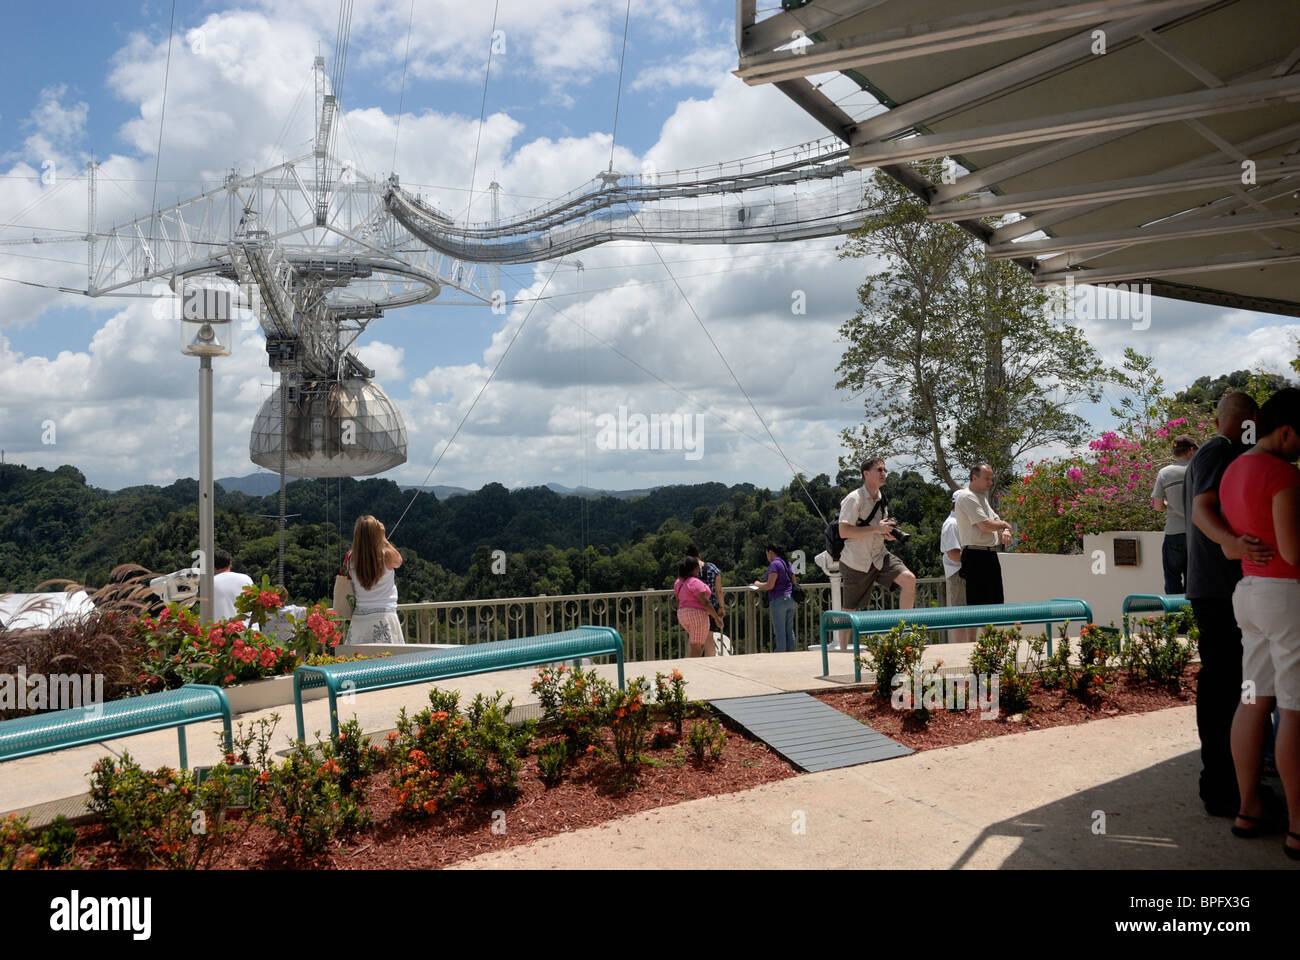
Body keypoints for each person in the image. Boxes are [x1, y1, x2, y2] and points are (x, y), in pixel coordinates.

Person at [1219, 388, 1300, 858]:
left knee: (1252, 701)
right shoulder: (1283, 474)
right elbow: (1294, 552)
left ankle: (1248, 809)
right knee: (1293, 709)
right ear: (1285, 431)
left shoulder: (1233, 471)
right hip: (1287, 597)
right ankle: (1298, 827)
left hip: (1248, 594)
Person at [1185, 391, 1274, 817]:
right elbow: (1202, 509)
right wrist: (1231, 544)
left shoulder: (1218, 453)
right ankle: (1221, 789)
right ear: (1249, 420)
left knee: (1234, 687)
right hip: (1218, 590)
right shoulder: (1217, 452)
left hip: (1218, 589)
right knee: (1224, 688)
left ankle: (1234, 786)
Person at [837, 458, 916, 614]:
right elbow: (843, 531)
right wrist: (876, 529)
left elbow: (878, 530)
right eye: (879, 470)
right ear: (866, 474)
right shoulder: (854, 498)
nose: (884, 473)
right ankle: (844, 640)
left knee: (909, 579)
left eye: (885, 470)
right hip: (856, 561)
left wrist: (887, 534)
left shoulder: (882, 499)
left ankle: (906, 632)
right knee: (849, 610)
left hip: (879, 556)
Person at [954, 464, 1013, 606]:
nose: (990, 482)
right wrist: (1004, 526)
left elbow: (996, 520)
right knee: (976, 606)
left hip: (989, 554)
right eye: (987, 478)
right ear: (974, 478)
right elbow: (985, 525)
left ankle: (992, 630)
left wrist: (1004, 530)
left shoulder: (981, 498)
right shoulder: (967, 496)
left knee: (995, 603)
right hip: (975, 555)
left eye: (991, 479)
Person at [1150, 434, 1198, 593]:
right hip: (1196, 532)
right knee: (1194, 581)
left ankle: (1175, 616)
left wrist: (1169, 505)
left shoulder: (1164, 473)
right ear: (1191, 451)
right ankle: (1192, 616)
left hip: (1173, 533)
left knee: (1172, 579)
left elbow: (1157, 506)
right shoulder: (1198, 470)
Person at [346, 515, 405, 644]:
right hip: (385, 616)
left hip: (360, 619)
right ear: (376, 534)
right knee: (389, 661)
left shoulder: (351, 558)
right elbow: (399, 561)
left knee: (359, 661)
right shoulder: (386, 555)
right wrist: (383, 538)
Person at [939, 491, 974, 644]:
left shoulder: (959, 522)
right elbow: (954, 554)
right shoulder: (952, 524)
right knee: (961, 615)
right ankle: (959, 650)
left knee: (967, 615)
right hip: (959, 573)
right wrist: (975, 562)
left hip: (963, 572)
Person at [752, 543, 797, 652]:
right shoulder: (788, 563)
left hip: (779, 599)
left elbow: (770, 585)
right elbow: (794, 582)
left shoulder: (775, 565)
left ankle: (780, 654)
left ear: (770, 552)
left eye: (767, 553)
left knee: (780, 631)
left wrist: (757, 584)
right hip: (791, 598)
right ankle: (791, 654)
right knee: (789, 630)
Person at [674, 556, 719, 658]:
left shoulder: (678, 582)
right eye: (697, 567)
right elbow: (706, 603)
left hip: (682, 614)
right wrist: (716, 618)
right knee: (697, 648)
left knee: (696, 643)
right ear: (693, 569)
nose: (699, 569)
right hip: (697, 615)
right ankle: (692, 669)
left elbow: (678, 600)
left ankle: (689, 666)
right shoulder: (694, 582)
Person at [685, 544, 725, 636]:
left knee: (694, 637)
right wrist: (721, 607)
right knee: (710, 636)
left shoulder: (688, 570)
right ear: (699, 555)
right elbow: (719, 590)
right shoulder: (712, 568)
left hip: (693, 607)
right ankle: (710, 651)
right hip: (711, 607)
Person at [212, 549, 253, 621]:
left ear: (213, 566)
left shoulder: (209, 583)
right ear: (230, 564)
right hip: (248, 628)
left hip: (221, 629)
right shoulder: (246, 579)